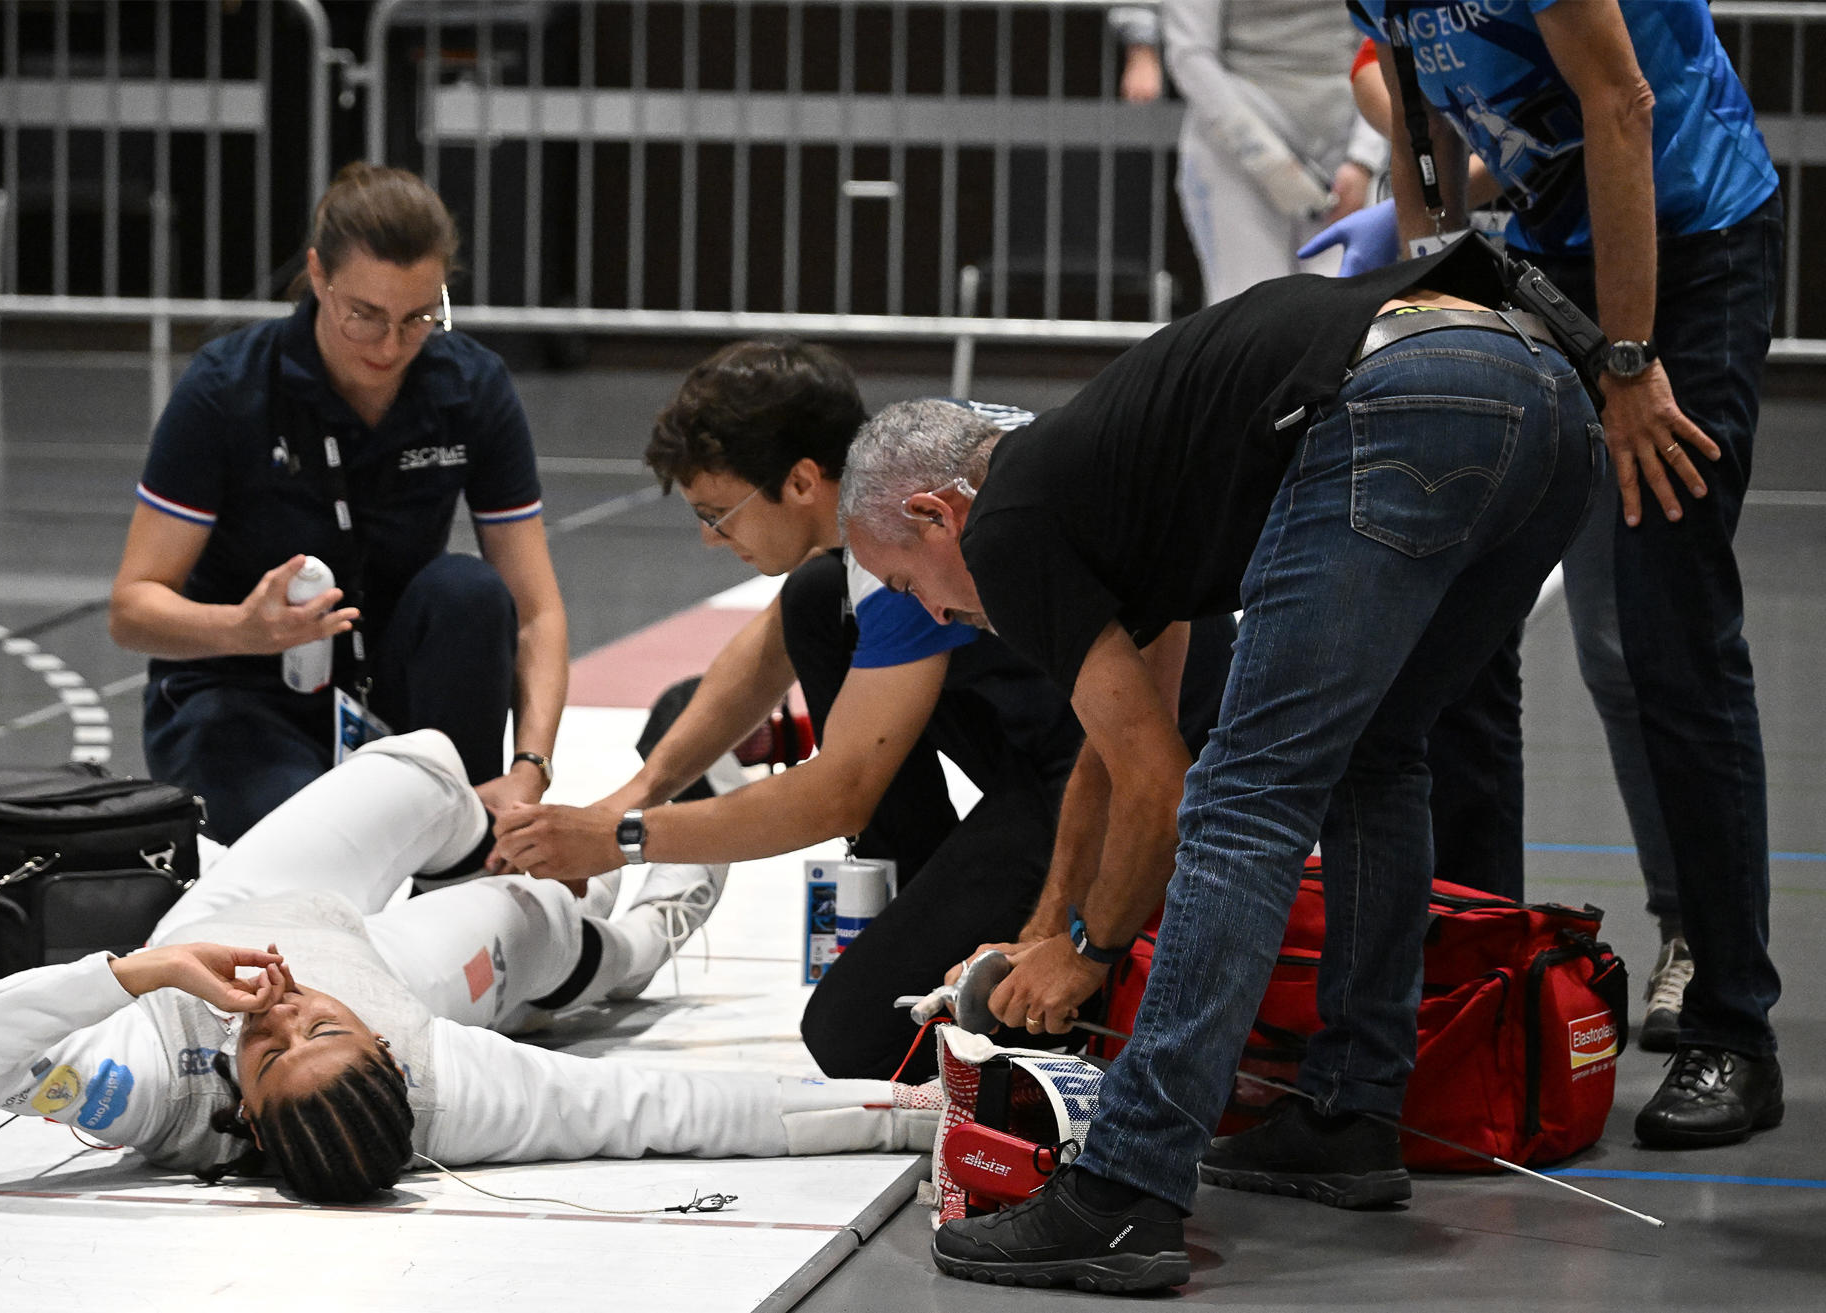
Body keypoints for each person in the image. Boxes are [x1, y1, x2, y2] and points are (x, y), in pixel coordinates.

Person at [839, 234, 1599, 1292]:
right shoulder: (1101, 482)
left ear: (933, 512)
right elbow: (1116, 754)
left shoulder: (1009, 529)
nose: (931, 610)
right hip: (1547, 400)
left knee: (1250, 798)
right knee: (1378, 756)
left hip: (1402, 394)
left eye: (906, 577)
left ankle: (1126, 1191)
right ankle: (1349, 1114)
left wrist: (1092, 950)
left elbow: (1171, 786)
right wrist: (1045, 928)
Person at [491, 339, 1231, 1081]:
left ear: (803, 479)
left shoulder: (913, 540)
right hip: (1093, 702)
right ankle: (933, 892)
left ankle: (1055, 1004)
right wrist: (632, 794)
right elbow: (770, 646)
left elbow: (841, 790)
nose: (711, 539)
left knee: (859, 1036)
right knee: (816, 605)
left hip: (1119, 749)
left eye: (720, 514)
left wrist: (623, 839)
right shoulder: (912, 461)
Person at [0, 731, 938, 1205]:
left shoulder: (146, 1090)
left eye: (276, 1042)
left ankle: (486, 834)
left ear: (243, 1108)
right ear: (392, 1057)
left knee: (428, 762)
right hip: (401, 961)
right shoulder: (455, 1089)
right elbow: (675, 1105)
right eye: (323, 1032)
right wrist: (913, 1110)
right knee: (547, 912)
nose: (286, 1010)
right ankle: (651, 911)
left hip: (230, 908)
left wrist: (144, 969)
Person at [1344, 0, 1783, 1113]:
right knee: (1458, 610)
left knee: (1665, 630)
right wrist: (1429, 276)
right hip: (1540, 255)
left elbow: (1622, 106)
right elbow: (1416, 109)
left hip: (1684, 245)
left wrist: (1628, 363)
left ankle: (1735, 1025)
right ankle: (1484, 974)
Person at [110, 162, 569, 844]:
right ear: (319, 276)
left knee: (469, 590)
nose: (390, 346)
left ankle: (467, 836)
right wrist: (242, 629)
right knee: (327, 848)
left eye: (418, 317)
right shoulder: (227, 388)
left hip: (393, 688)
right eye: (366, 316)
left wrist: (530, 767)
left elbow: (537, 612)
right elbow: (132, 607)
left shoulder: (471, 387)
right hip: (242, 694)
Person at [1160, 0, 1388, 304]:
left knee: (1342, 313)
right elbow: (1190, 54)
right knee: (1249, 313)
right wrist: (1269, 163)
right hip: (1233, 158)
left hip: (1341, 154)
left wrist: (1363, 160)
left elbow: (1382, 44)